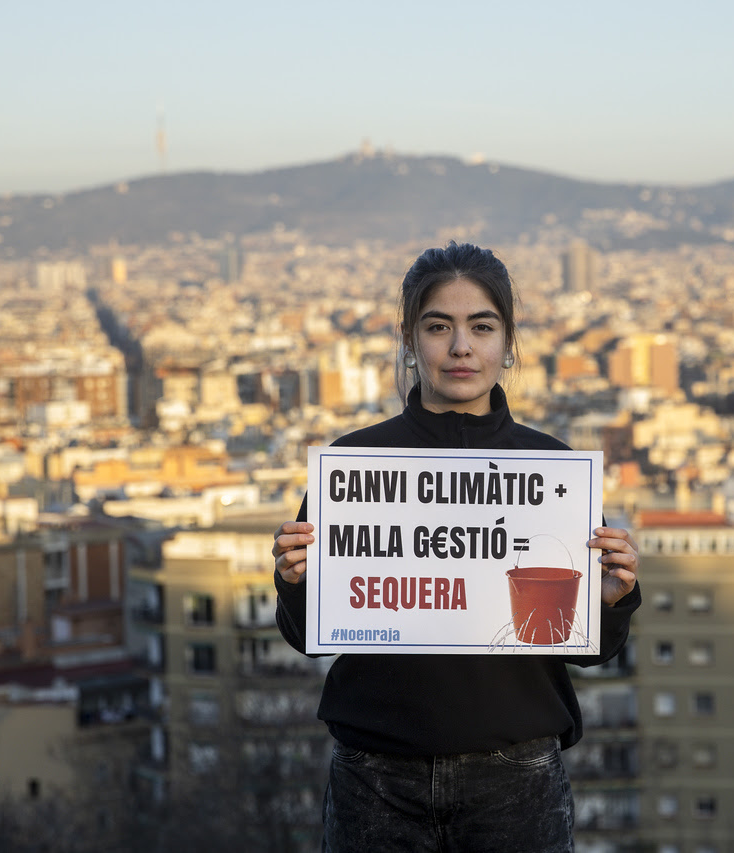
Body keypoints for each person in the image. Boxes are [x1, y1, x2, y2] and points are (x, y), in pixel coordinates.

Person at [273, 241, 641, 852]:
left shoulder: (551, 470)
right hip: (376, 778)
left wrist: (610, 599)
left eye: (482, 326)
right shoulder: (355, 467)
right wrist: (294, 581)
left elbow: (591, 650)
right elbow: (307, 632)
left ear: (508, 343)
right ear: (410, 341)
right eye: (439, 326)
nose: (461, 346)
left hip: (516, 782)